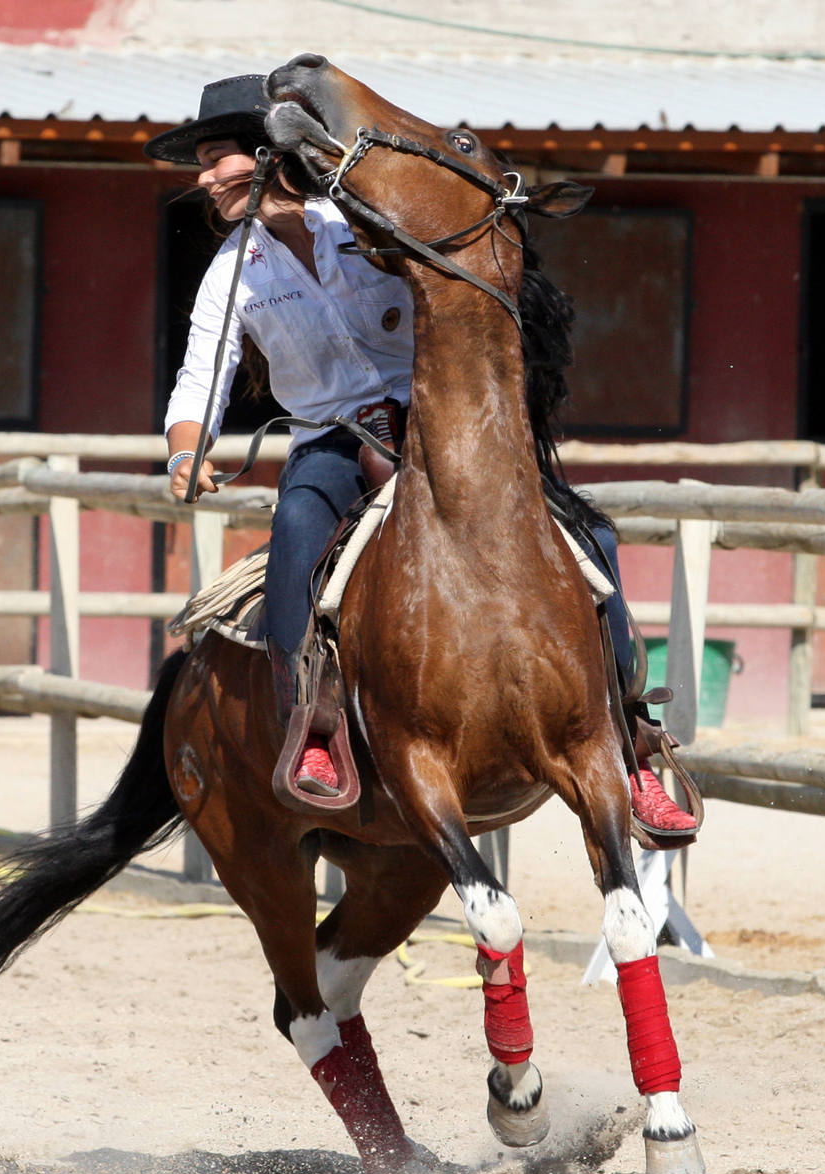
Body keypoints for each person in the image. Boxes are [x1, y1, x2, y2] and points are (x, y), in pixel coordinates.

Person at [146, 75, 698, 834]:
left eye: (216, 158)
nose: (204, 179)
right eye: (202, 165)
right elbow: (197, 375)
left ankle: (631, 742)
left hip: (448, 428)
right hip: (334, 441)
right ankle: (313, 727)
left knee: (590, 536)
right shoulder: (229, 275)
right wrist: (187, 452)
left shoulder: (363, 224)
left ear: (269, 155)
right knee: (297, 540)